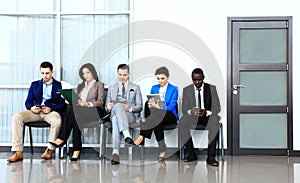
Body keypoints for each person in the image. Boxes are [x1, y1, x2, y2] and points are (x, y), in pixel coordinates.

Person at [7, 61, 66, 162]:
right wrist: (32, 108)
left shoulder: (58, 85)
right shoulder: (34, 85)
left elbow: (62, 104)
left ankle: (49, 150)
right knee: (16, 117)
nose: (45, 76)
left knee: (57, 120)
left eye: (47, 73)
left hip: (50, 112)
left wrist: (51, 108)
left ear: (52, 72)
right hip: (35, 112)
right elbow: (28, 101)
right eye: (42, 73)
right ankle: (18, 152)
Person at [50, 63, 105, 161]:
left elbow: (100, 102)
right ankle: (76, 149)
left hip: (95, 111)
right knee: (76, 116)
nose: (86, 75)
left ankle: (62, 138)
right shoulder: (81, 86)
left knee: (74, 112)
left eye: (88, 72)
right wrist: (68, 97)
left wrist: (87, 104)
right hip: (80, 112)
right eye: (84, 74)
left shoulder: (99, 85)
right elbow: (77, 100)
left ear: (93, 72)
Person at [134, 66, 179, 161]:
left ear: (168, 77)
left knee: (158, 114)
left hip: (169, 115)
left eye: (162, 78)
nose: (160, 81)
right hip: (157, 116)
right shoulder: (154, 88)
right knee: (157, 120)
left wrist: (160, 107)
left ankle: (141, 136)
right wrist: (151, 105)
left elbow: (171, 106)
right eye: (158, 79)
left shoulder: (173, 89)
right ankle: (162, 149)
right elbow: (150, 103)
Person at [179, 68, 221, 166]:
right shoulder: (187, 89)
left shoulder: (211, 88)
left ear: (203, 78)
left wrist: (206, 112)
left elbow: (217, 108)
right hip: (193, 117)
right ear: (192, 79)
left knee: (215, 123)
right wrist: (191, 111)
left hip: (207, 116)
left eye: (199, 80)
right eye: (195, 80)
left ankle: (211, 157)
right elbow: (184, 109)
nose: (197, 82)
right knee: (182, 123)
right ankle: (191, 153)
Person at [106, 64, 143, 165]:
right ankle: (127, 135)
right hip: (114, 112)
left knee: (115, 119)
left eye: (124, 75)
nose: (122, 77)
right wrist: (108, 107)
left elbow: (140, 107)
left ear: (129, 74)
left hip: (129, 115)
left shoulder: (135, 88)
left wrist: (130, 108)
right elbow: (106, 107)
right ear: (117, 74)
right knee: (117, 107)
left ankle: (115, 153)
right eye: (120, 74)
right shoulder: (111, 88)